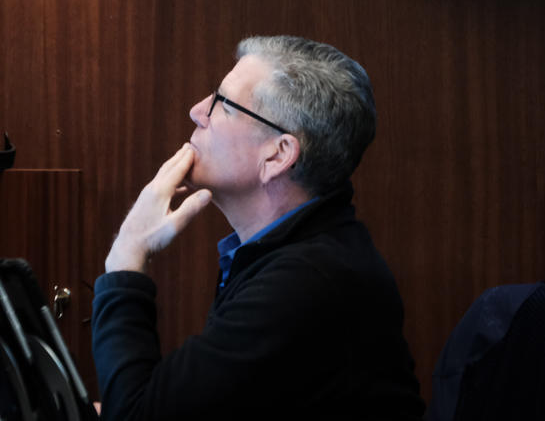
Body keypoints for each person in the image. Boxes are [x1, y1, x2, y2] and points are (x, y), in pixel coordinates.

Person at [91, 35, 425, 421]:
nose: (197, 111)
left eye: (223, 104)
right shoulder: (290, 252)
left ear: (278, 155)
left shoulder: (308, 283)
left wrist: (126, 257)